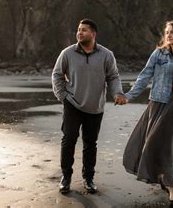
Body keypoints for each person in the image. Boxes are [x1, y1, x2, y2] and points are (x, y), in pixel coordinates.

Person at [116, 20, 173, 206]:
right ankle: (168, 183)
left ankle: (169, 184)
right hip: (159, 102)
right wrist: (129, 96)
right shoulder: (159, 54)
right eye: (166, 32)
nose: (168, 35)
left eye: (172, 32)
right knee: (152, 143)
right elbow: (144, 76)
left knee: (166, 145)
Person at [52, 18, 124, 194]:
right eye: (78, 29)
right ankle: (66, 176)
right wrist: (63, 97)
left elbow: (113, 76)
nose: (79, 32)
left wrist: (118, 93)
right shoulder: (67, 53)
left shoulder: (106, 55)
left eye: (84, 30)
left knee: (90, 143)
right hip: (72, 104)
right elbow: (57, 75)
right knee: (68, 140)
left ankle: (88, 178)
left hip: (95, 106)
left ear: (93, 34)